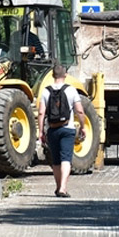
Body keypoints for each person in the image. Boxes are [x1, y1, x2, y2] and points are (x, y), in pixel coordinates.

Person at [37, 64, 86, 197]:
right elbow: (80, 111)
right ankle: (63, 188)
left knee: (56, 160)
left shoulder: (46, 91)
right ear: (65, 75)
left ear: (53, 75)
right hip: (67, 129)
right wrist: (83, 126)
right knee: (66, 159)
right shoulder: (71, 90)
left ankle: (58, 187)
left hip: (52, 130)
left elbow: (41, 113)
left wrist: (41, 132)